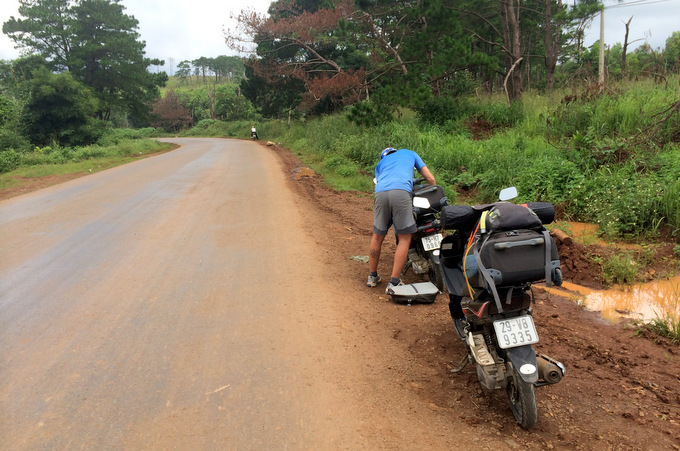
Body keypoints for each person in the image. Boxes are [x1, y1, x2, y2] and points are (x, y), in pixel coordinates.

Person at [367, 147, 436, 293]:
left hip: (380, 193)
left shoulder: (381, 164)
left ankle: (372, 277)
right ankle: (394, 282)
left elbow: (378, 181)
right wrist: (434, 189)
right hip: (401, 192)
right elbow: (429, 178)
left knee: (377, 236)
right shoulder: (409, 153)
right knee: (405, 238)